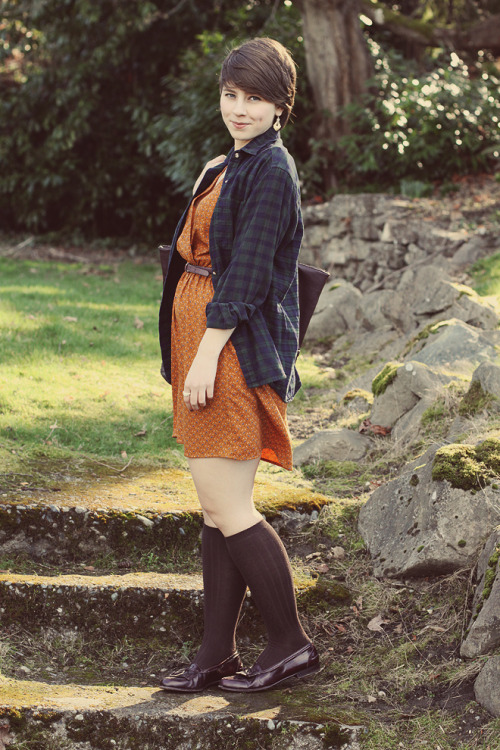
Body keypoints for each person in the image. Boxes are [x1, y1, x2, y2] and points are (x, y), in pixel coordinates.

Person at [158, 37, 319, 693]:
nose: (240, 108)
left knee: (232, 507)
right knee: (214, 509)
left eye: (254, 97)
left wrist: (205, 352)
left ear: (281, 104)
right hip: (205, 342)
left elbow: (248, 274)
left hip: (230, 350)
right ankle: (215, 653)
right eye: (231, 94)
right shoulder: (229, 164)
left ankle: (291, 645)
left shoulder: (272, 171)